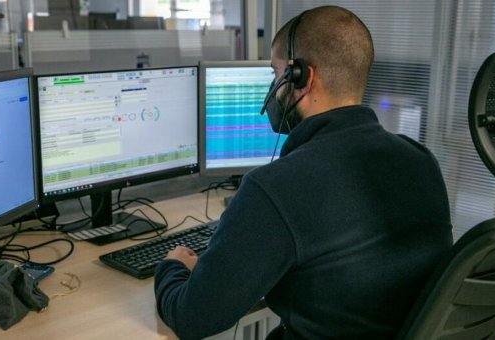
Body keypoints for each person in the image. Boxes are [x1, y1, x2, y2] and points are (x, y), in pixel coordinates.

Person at [155, 6, 453, 339]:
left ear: (302, 78)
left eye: (274, 73)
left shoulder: (275, 187)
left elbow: (191, 318)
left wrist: (173, 266)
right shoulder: (420, 161)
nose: (271, 86)